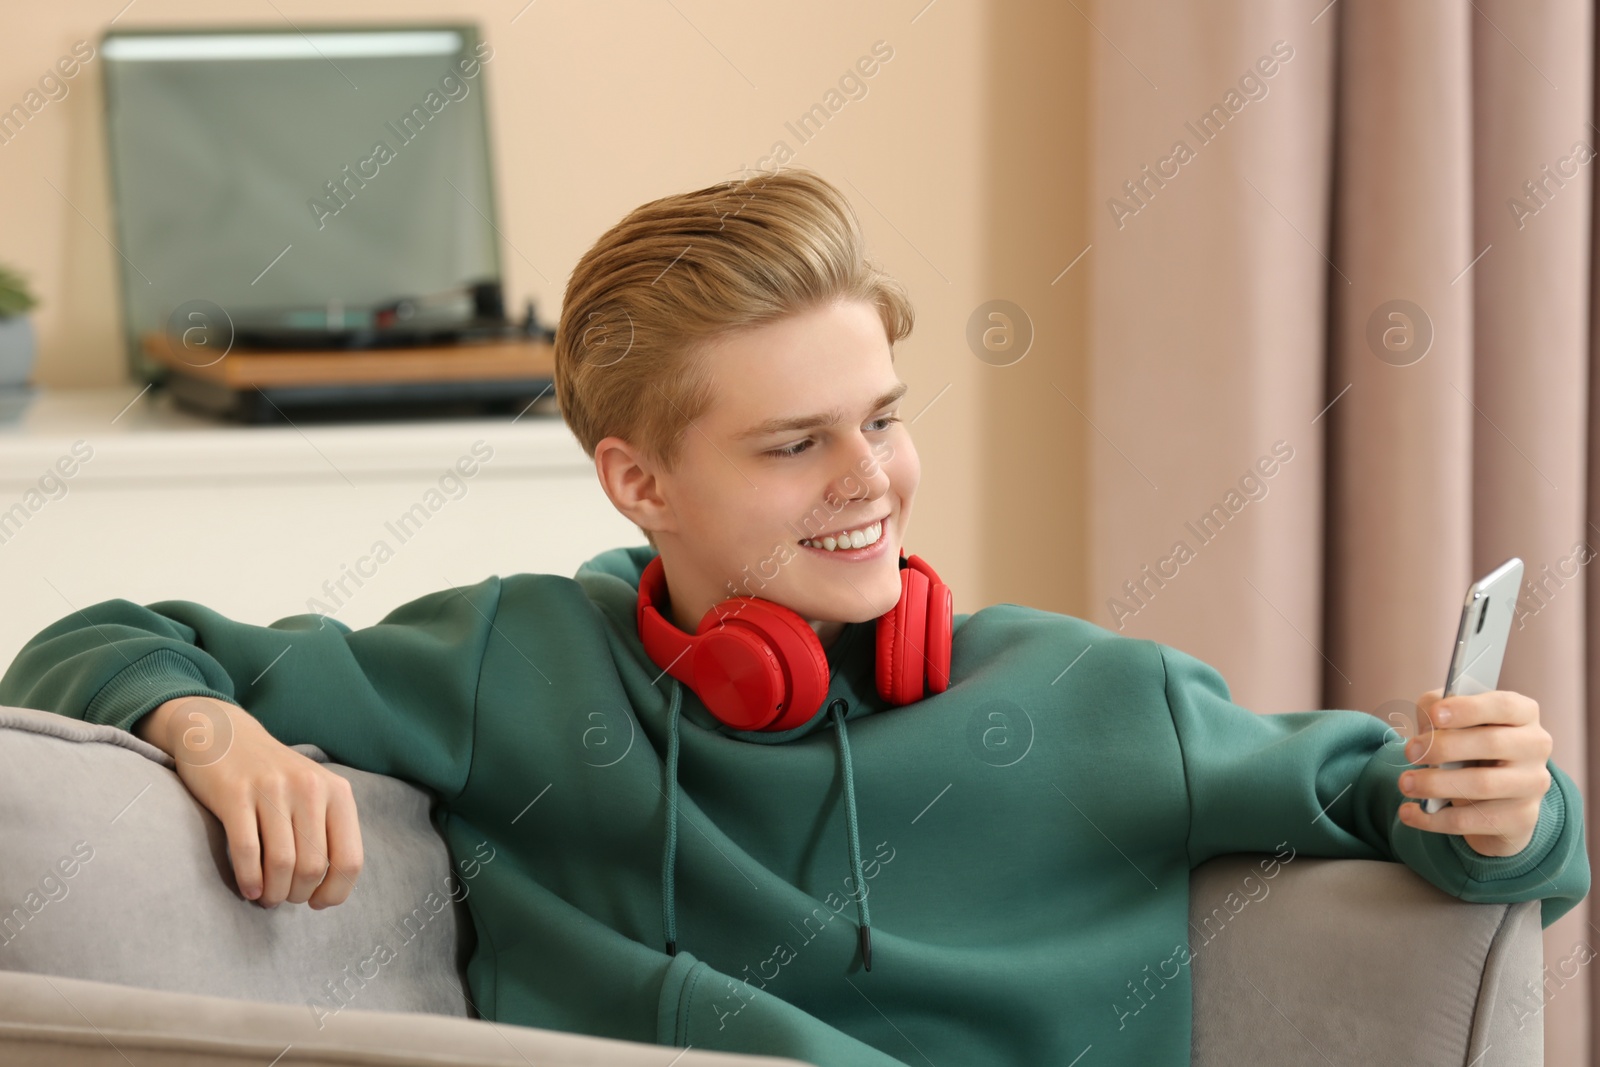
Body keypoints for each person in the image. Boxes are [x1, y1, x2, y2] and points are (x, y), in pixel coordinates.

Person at [0, 167, 1587, 1067]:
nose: (870, 480)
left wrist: (1504, 798)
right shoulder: (514, 665)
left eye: (883, 417)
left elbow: (1438, 822)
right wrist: (205, 728)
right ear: (640, 482)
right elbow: (95, 640)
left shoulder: (1104, 698)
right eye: (793, 443)